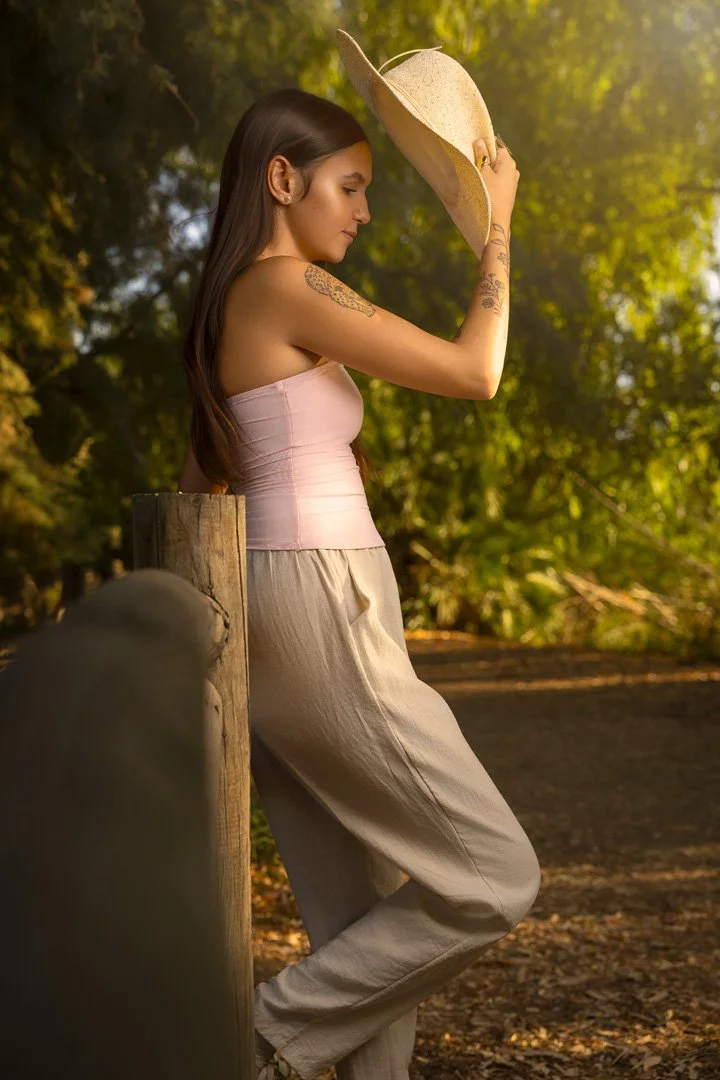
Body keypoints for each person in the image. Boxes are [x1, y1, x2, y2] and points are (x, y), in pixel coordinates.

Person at [178, 85, 539, 1080]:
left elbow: (198, 485)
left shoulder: (232, 304)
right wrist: (497, 223)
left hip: (281, 601)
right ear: (282, 179)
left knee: (361, 923)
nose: (364, 209)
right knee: (495, 875)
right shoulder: (284, 285)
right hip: (316, 597)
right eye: (349, 185)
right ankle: (250, 1044)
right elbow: (476, 371)